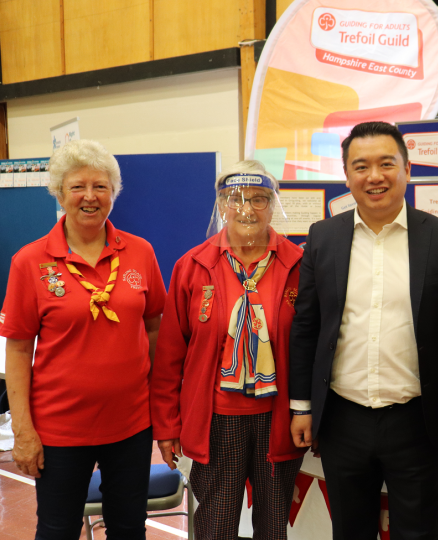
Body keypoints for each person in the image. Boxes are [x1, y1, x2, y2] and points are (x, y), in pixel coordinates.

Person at [289, 121, 438, 540]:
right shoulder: (323, 237)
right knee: (350, 532)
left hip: (417, 421)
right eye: (361, 166)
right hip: (342, 420)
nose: (374, 176)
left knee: (418, 532)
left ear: (407, 170)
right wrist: (301, 406)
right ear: (347, 176)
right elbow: (306, 326)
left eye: (386, 164)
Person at [0, 139, 166, 539]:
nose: (90, 196)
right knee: (57, 530)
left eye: (100, 186)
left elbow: (155, 329)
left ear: (113, 193)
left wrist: (161, 410)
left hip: (130, 426)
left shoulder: (140, 252)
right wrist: (23, 431)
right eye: (78, 187)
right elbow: (18, 350)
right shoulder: (30, 261)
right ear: (59, 193)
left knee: (129, 529)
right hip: (59, 431)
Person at [150, 161, 305, 539]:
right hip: (214, 421)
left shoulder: (299, 265)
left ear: (273, 205)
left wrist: (310, 411)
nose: (247, 209)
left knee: (274, 528)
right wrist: (167, 426)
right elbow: (169, 356)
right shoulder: (192, 266)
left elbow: (313, 347)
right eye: (236, 199)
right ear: (221, 205)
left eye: (259, 199)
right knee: (215, 528)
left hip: (278, 421)